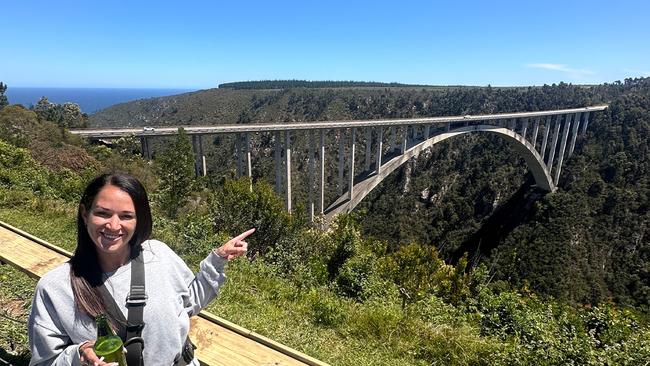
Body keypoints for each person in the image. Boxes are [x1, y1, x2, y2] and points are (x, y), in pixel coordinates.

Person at [28, 173, 254, 366]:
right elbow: (45, 361)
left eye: (126, 216)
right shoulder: (55, 288)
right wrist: (79, 355)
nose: (113, 226)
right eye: (103, 213)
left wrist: (217, 260)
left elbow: (188, 304)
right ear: (85, 213)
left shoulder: (159, 254)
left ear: (138, 220)